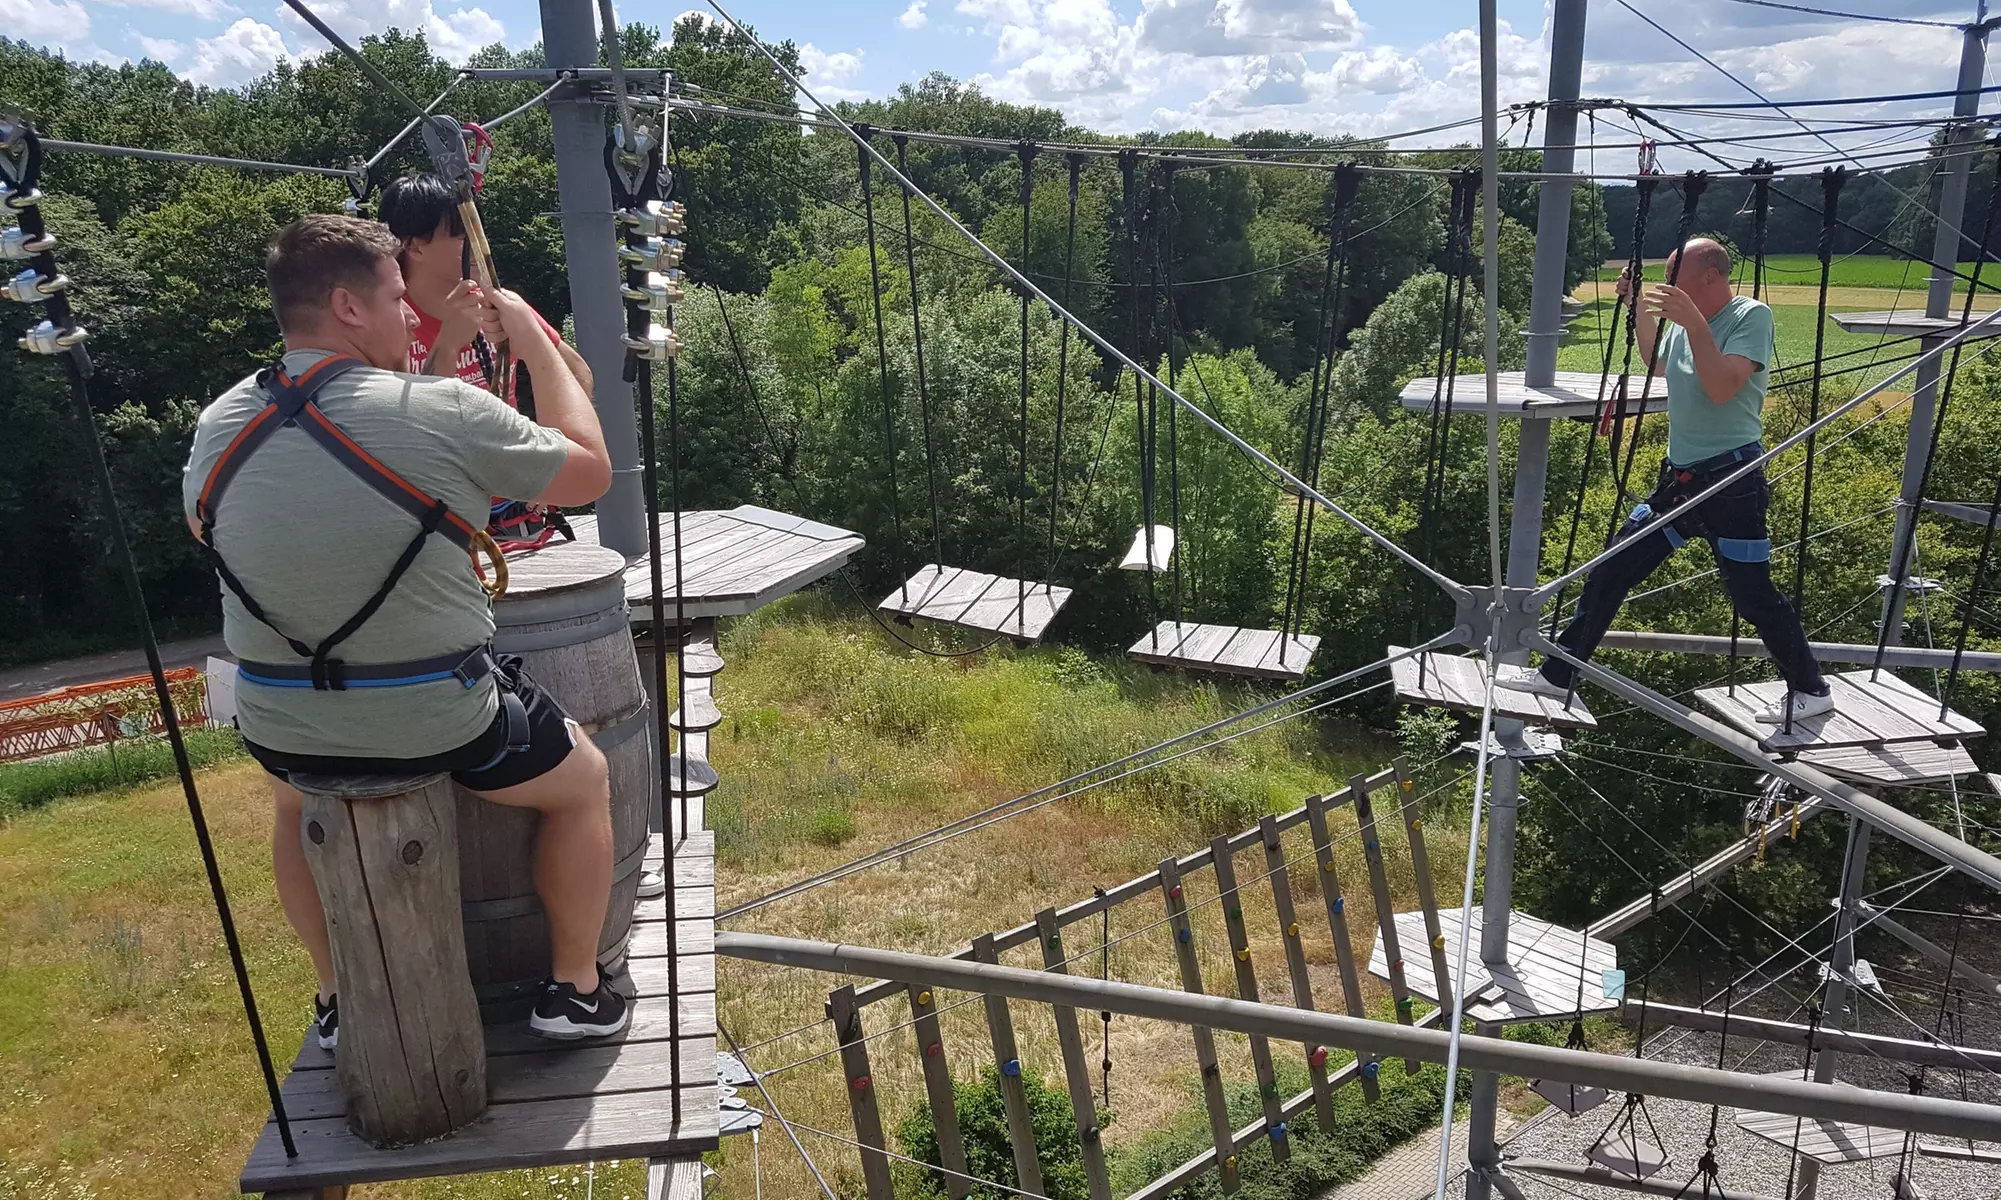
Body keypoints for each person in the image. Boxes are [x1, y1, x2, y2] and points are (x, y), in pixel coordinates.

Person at [182, 214, 629, 1048]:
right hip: (436, 719)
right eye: (395, 298)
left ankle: (338, 995)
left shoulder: (218, 423)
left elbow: (208, 530)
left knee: (293, 803)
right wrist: (532, 341)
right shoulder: (444, 408)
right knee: (583, 778)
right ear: (350, 307)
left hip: (281, 720)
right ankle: (574, 988)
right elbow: (588, 470)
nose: (404, 315)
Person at [1503, 237, 1834, 724]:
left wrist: (1692, 322)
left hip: (1732, 482)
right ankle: (1559, 676)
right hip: (1681, 481)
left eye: (1676, 277)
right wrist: (1640, 307)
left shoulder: (1749, 316)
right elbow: (1657, 362)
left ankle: (1810, 689)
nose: (1670, 288)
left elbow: (1722, 387)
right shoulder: (1686, 325)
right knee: (1611, 568)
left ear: (1710, 276)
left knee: (1752, 595)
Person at [379, 172, 590, 551]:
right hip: (440, 525)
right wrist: (448, 343)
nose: (477, 245)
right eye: (459, 234)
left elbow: (576, 373)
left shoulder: (497, 303)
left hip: (519, 519)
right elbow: (399, 431)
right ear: (414, 246)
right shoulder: (388, 323)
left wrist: (547, 472)